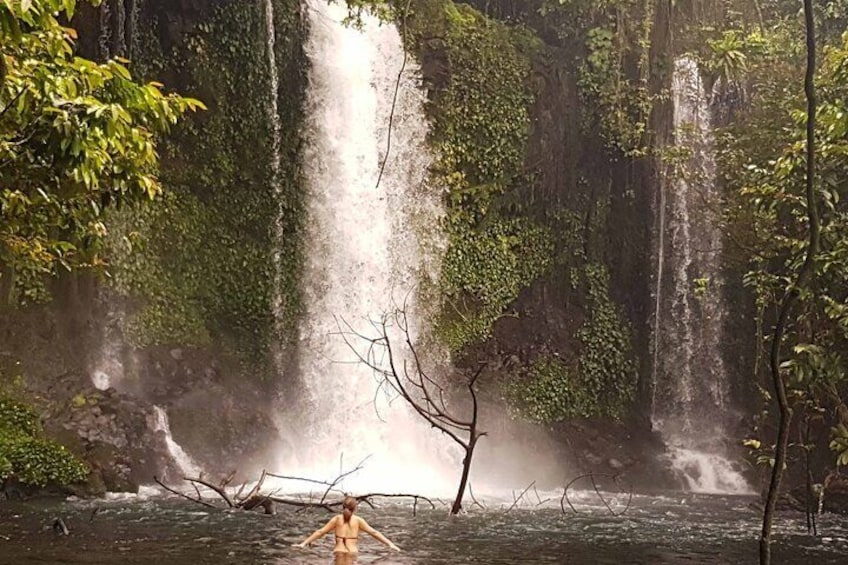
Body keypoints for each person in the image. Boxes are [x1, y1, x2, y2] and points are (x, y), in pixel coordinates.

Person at [293, 496, 401, 555]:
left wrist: (303, 543)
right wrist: (390, 544)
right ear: (355, 508)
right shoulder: (358, 521)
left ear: (342, 507)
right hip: (352, 554)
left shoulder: (336, 519)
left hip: (338, 552)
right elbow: (374, 533)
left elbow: (320, 532)